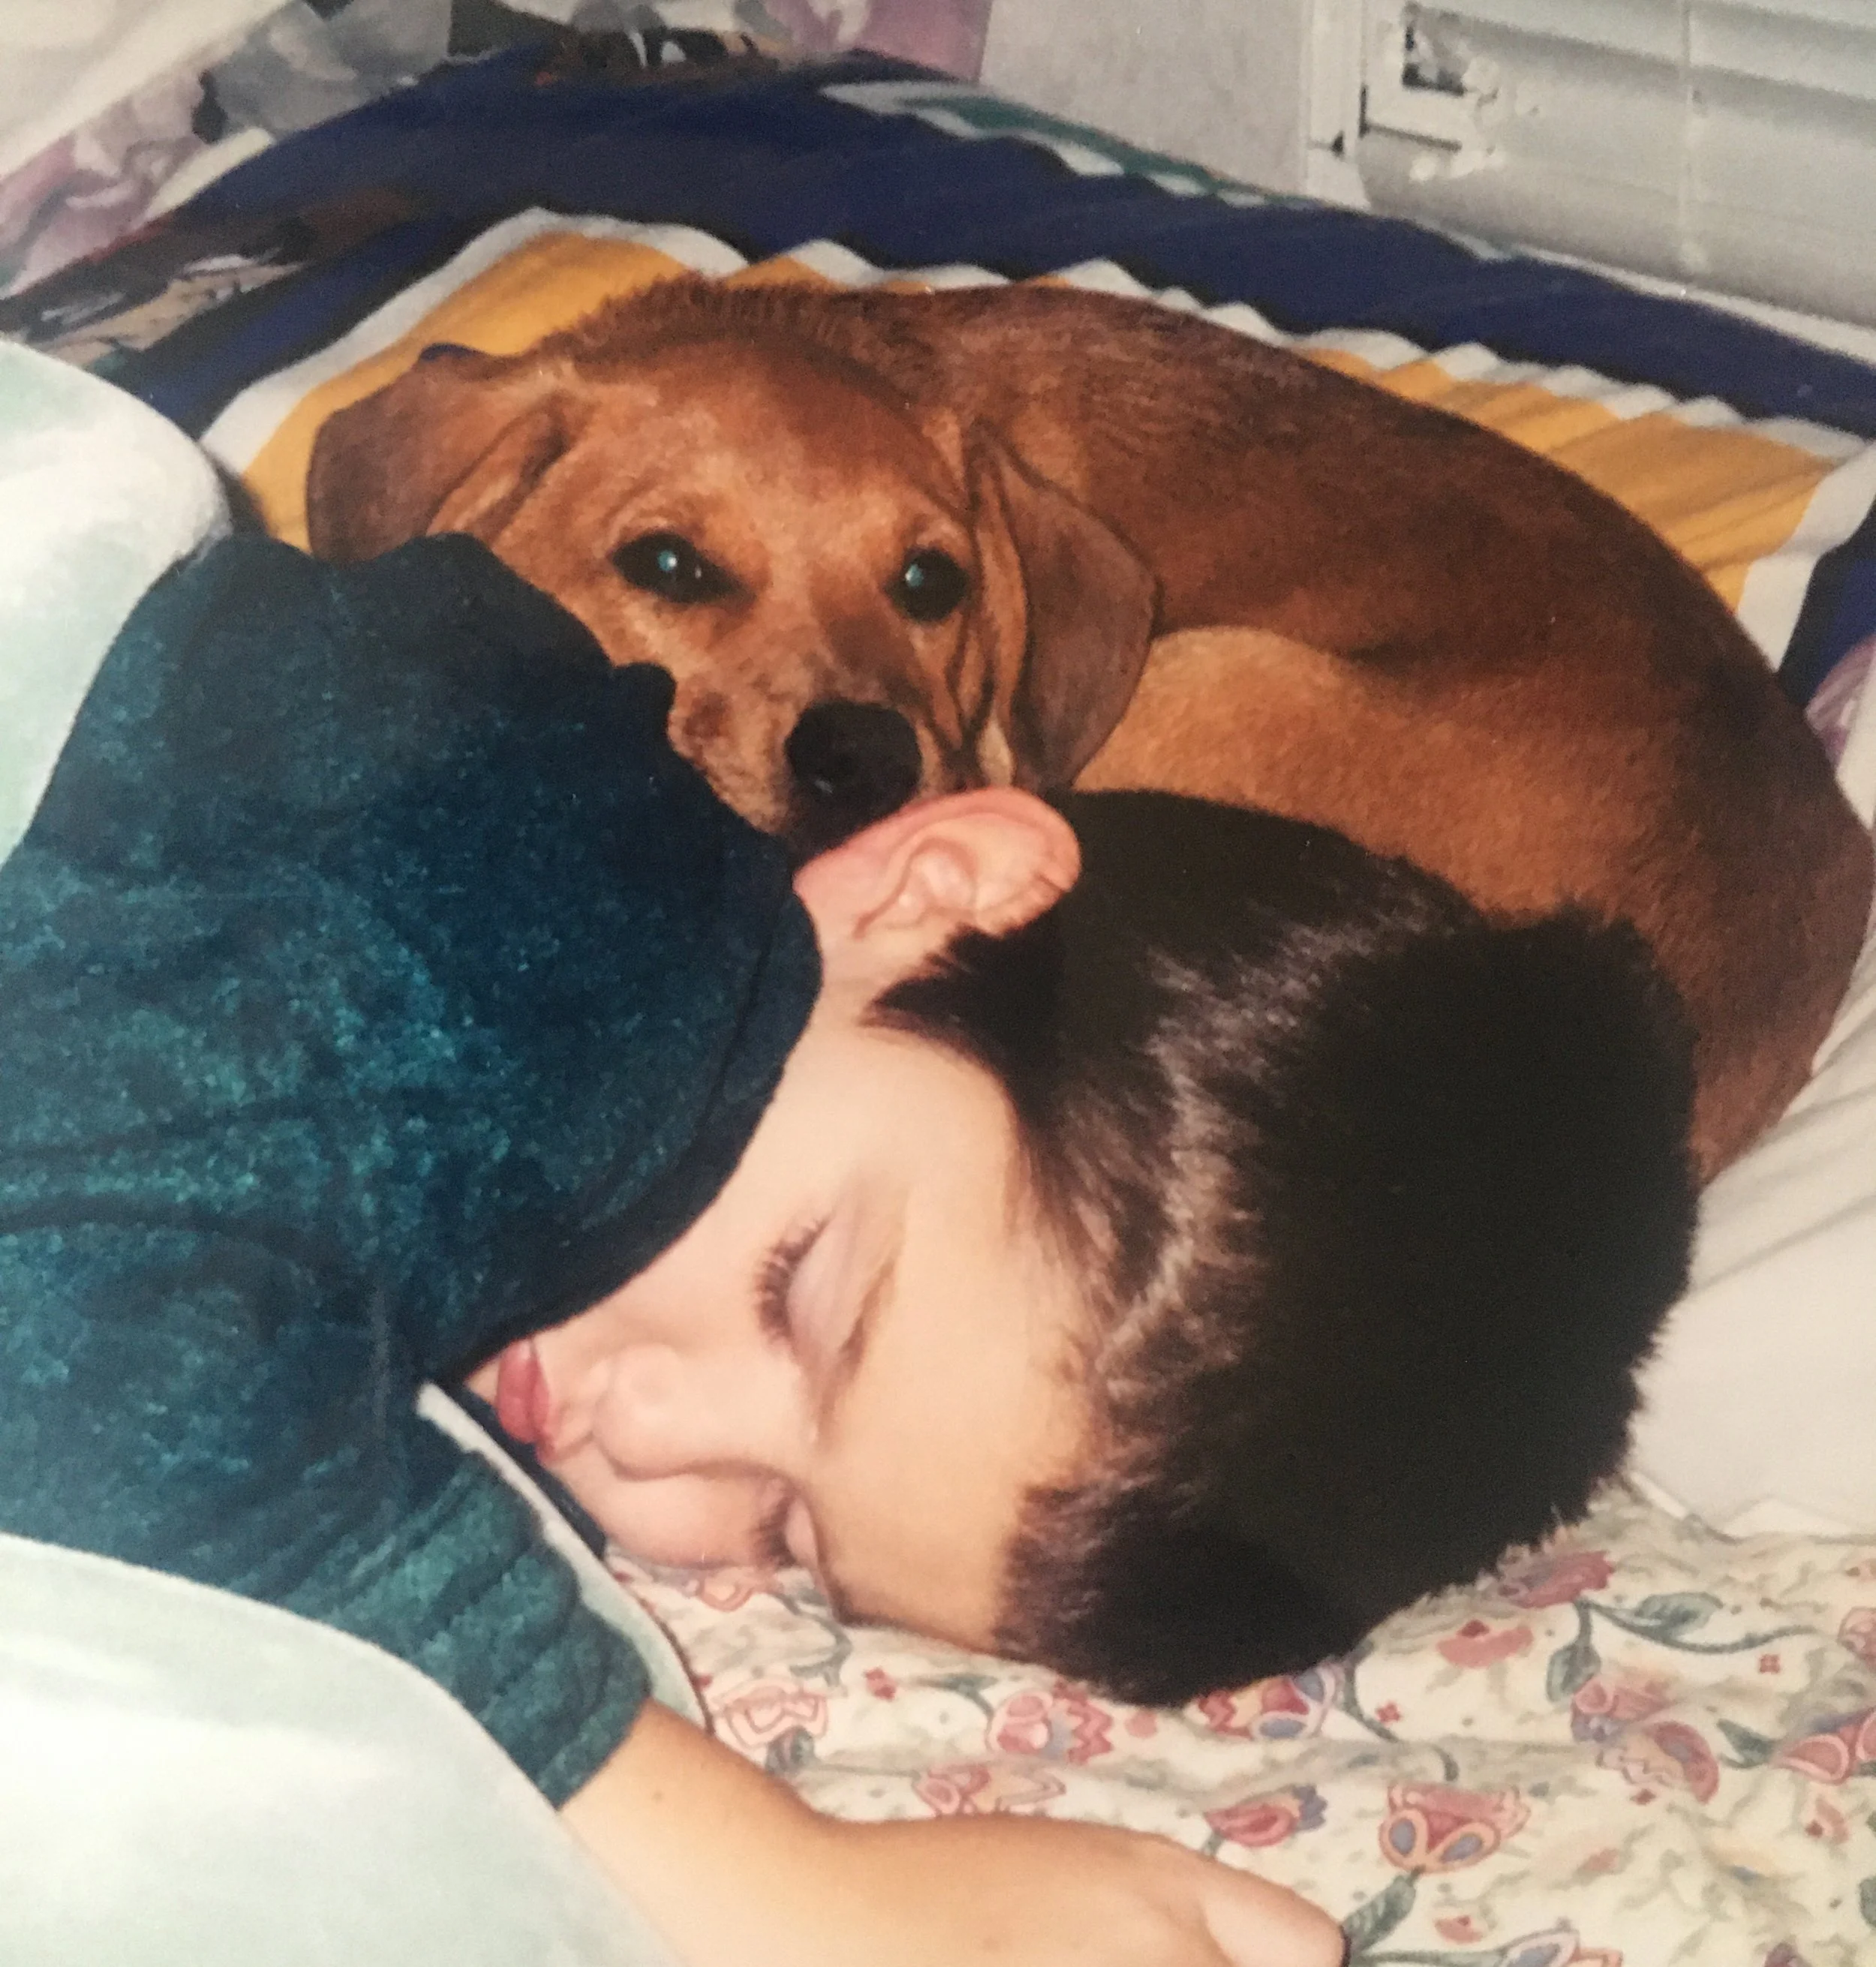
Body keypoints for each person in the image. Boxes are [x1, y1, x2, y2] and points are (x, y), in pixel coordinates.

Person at [0, 528, 1692, 1966]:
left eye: (783, 1528)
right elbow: (62, 1340)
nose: (652, 1432)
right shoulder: (515, 899)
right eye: (798, 1291)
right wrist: (794, 1883)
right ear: (931, 891)